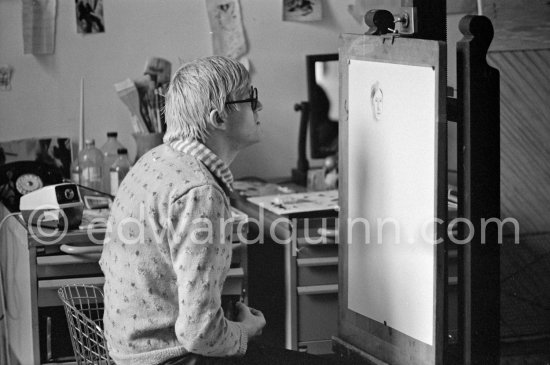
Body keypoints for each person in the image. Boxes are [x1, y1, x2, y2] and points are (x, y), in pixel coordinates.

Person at [100, 56, 342, 365]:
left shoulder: (154, 160)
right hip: (173, 359)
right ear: (218, 118)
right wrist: (245, 330)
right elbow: (199, 333)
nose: (260, 108)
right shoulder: (200, 193)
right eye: (251, 99)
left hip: (132, 353)